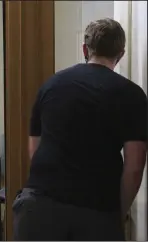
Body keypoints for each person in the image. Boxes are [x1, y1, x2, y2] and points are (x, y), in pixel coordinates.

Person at [13, 18, 147, 241]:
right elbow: (135, 166)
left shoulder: (51, 85)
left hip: (40, 207)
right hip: (96, 211)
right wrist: (118, 214)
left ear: (85, 49)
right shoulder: (132, 95)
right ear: (121, 53)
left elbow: (35, 150)